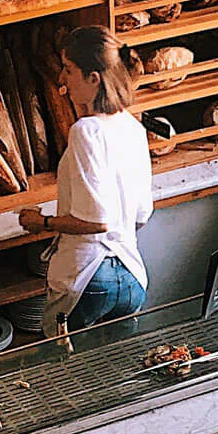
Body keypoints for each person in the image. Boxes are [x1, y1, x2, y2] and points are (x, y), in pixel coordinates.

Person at [20, 26, 153, 334]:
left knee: (65, 370)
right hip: (132, 276)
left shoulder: (86, 131)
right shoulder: (133, 127)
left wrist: (42, 222)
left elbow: (96, 222)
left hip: (90, 278)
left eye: (69, 70)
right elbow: (142, 215)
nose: (62, 79)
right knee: (117, 370)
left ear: (93, 79)